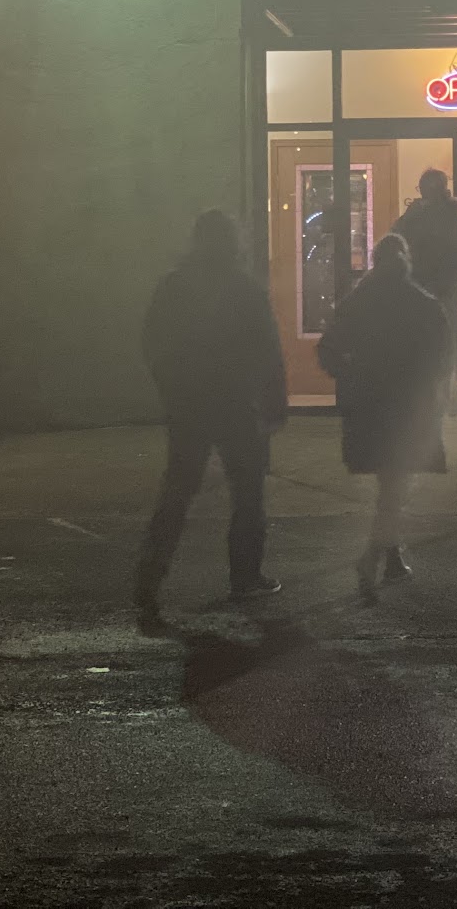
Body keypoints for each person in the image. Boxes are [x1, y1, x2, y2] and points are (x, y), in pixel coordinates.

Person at [135, 210, 287, 621]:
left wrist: (171, 386)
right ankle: (245, 576)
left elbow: (153, 341)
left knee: (178, 489)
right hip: (236, 403)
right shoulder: (245, 289)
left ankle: (149, 578)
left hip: (189, 403)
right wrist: (274, 402)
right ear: (234, 243)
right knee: (248, 491)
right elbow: (268, 350)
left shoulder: (175, 286)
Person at [316, 233, 454, 597]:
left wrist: (350, 375)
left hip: (370, 404)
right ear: (406, 262)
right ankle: (373, 557)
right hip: (408, 406)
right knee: (395, 484)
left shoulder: (357, 302)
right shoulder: (423, 304)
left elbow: (328, 350)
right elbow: (442, 356)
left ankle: (389, 557)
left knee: (390, 484)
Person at [389, 168, 457, 406]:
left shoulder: (443, 212)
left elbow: (395, 239)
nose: (425, 192)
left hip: (431, 286)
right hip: (433, 286)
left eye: (428, 187)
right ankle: (442, 394)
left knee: (435, 340)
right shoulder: (451, 212)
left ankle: (435, 394)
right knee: (442, 340)